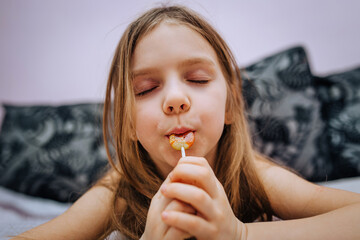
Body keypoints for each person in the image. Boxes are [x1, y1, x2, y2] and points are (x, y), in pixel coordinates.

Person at [14, 5, 360, 240]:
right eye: (146, 88)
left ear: (230, 106)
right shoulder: (121, 190)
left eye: (196, 79)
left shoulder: (253, 175)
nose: (175, 99)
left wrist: (240, 234)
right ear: (128, 125)